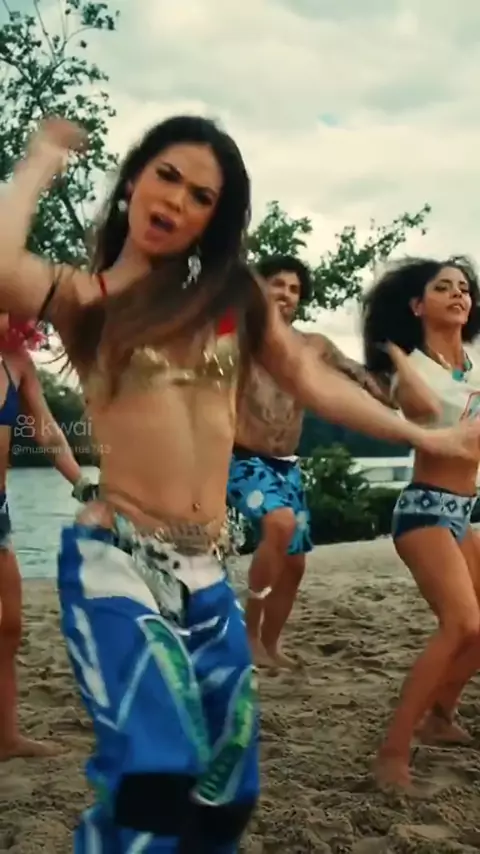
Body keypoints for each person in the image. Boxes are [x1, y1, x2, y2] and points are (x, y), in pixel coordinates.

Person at [0, 117, 479, 853]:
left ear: (213, 220)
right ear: (133, 183)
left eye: (202, 196)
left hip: (204, 568)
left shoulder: (229, 304)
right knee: (158, 771)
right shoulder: (83, 298)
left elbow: (312, 379)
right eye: (166, 176)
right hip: (116, 563)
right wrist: (39, 163)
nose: (178, 200)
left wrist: (426, 437)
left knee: (227, 789)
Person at [228, 254, 391, 668]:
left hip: (286, 465)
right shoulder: (237, 337)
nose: (286, 293)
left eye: (294, 289)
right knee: (279, 523)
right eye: (277, 284)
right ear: (259, 289)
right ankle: (248, 637)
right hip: (240, 457)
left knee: (296, 563)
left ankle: (271, 644)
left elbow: (359, 375)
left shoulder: (312, 346)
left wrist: (392, 386)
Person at [362, 256, 480, 792]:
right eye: (444, 287)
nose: (458, 294)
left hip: (463, 511)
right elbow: (426, 409)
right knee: (461, 624)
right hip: (424, 510)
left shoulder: (473, 362)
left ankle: (440, 715)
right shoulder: (409, 364)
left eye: (465, 288)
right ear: (417, 304)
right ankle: (392, 753)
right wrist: (392, 351)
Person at [0, 313, 96, 760]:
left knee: (9, 625)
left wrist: (84, 485)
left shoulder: (16, 361)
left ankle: (6, 737)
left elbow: (46, 429)